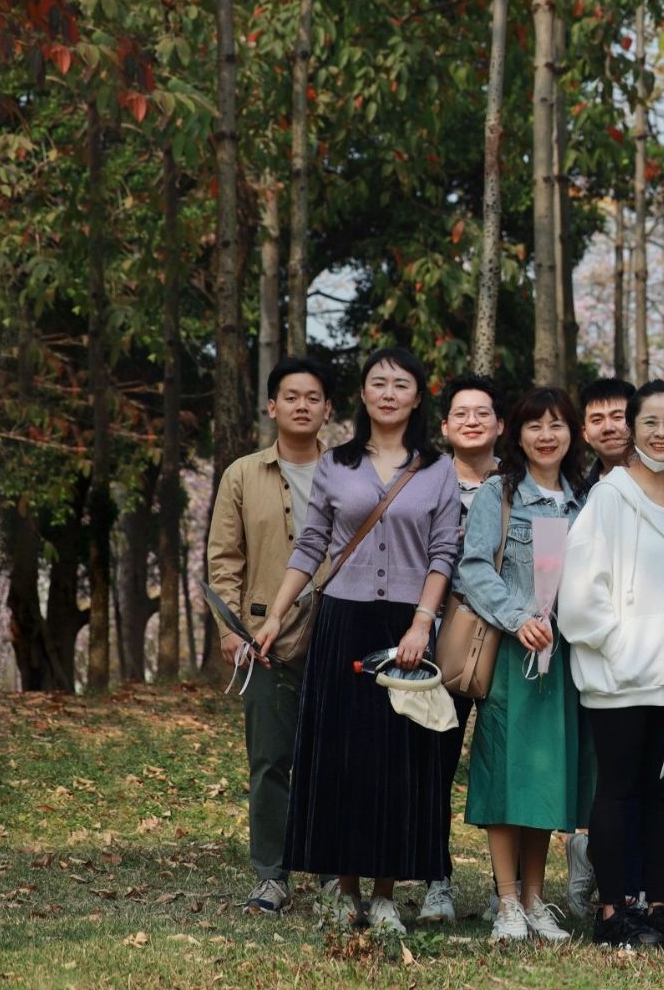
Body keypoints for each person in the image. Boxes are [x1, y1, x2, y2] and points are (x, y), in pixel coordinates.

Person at [252, 346, 464, 934]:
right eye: (378, 382)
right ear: (363, 395)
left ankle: (387, 894)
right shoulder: (336, 464)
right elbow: (311, 544)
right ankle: (343, 890)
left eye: (401, 384)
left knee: (397, 759)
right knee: (342, 758)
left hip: (405, 627)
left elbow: (444, 551)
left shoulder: (437, 468)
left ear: (418, 397)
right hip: (341, 619)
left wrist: (423, 621)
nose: (389, 392)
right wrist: (276, 613)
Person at [559, 379, 664, 950]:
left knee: (661, 795)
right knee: (618, 790)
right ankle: (611, 910)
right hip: (618, 676)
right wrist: (616, 643)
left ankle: (657, 904)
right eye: (649, 421)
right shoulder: (610, 495)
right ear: (633, 428)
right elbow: (579, 587)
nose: (661, 432)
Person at [458, 387, 595, 944]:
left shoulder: (584, 501)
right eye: (534, 425)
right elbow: (473, 567)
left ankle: (538, 898)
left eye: (557, 424)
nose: (546, 434)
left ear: (572, 434)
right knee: (505, 775)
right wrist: (518, 617)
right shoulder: (500, 492)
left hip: (564, 659)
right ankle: (507, 900)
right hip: (512, 656)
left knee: (546, 778)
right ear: (516, 434)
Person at [207, 355, 334, 916]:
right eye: (291, 396)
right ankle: (271, 874)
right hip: (263, 639)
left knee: (335, 757)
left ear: (328, 409)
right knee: (269, 760)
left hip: (338, 635)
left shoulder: (350, 473)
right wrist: (230, 631)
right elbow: (223, 558)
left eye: (313, 397)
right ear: (272, 406)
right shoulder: (242, 474)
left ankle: (336, 870)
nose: (302, 405)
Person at [423, 371, 502, 925]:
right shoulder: (425, 482)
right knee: (435, 764)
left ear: (500, 425)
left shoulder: (519, 482)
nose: (472, 421)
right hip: (436, 640)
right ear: (446, 425)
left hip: (508, 638)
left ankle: (511, 890)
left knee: (505, 765)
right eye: (462, 414)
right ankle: (436, 882)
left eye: (483, 413)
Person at [577, 377, 637, 489]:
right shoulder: (581, 496)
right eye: (597, 420)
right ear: (585, 433)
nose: (608, 428)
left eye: (618, 417)